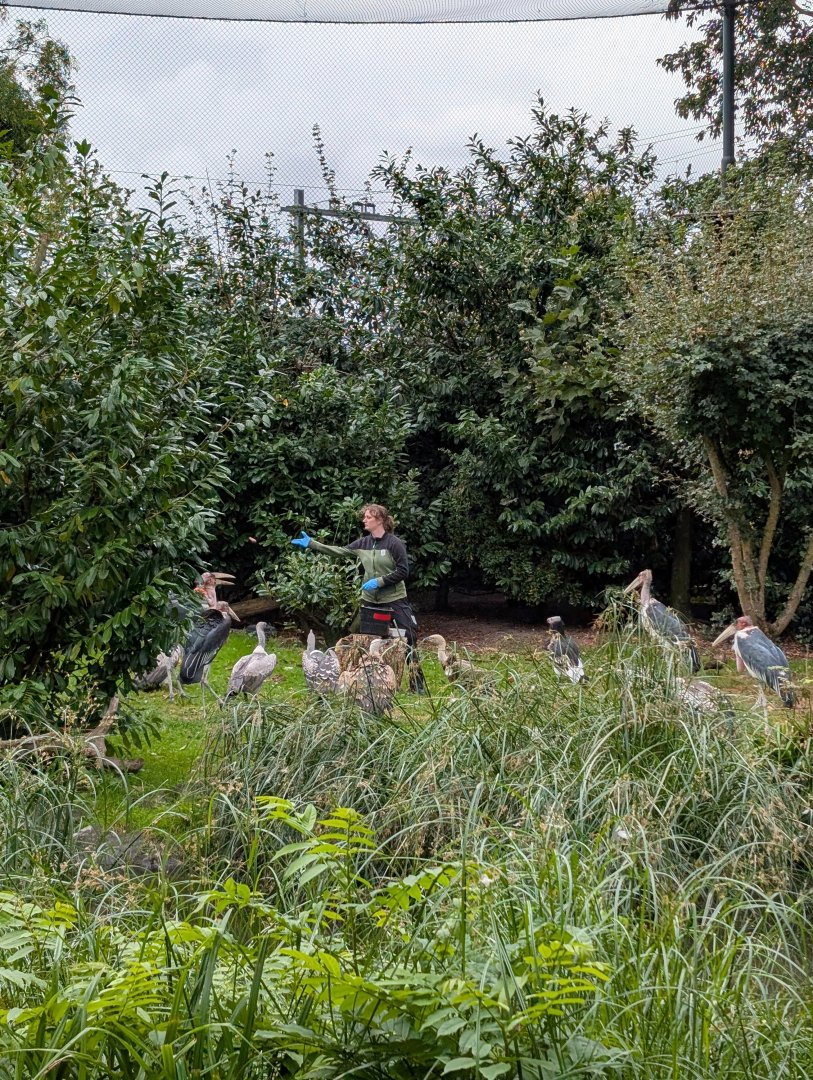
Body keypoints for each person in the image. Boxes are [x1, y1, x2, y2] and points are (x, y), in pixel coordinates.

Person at [291, 504, 427, 693]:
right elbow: (339, 551)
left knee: (409, 637)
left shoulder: (394, 544)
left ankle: (417, 686)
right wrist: (313, 544)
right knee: (360, 637)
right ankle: (362, 683)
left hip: (394, 598)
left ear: (380, 520)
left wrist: (379, 581)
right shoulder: (363, 543)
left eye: (368, 517)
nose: (364, 520)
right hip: (370, 599)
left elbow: (403, 571)